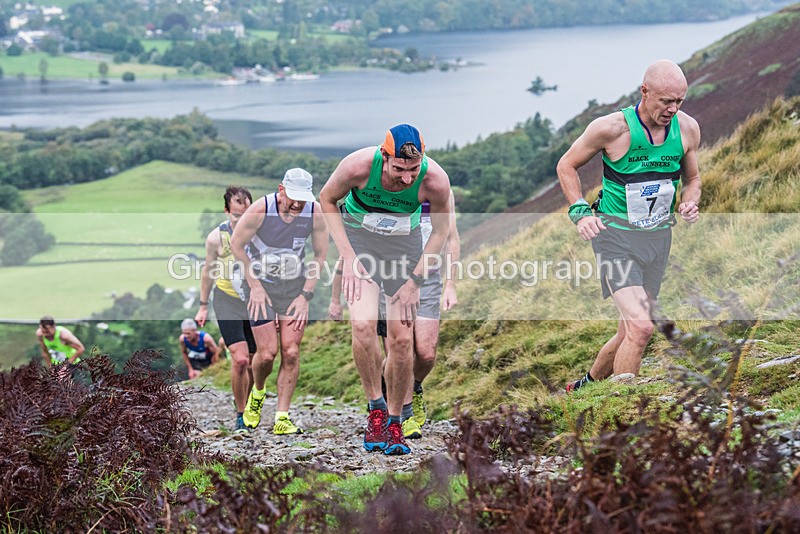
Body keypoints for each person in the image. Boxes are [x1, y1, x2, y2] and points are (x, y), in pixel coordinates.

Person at [556, 59, 701, 391]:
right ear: (645, 91)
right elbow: (567, 165)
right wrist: (580, 210)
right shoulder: (611, 128)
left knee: (627, 331)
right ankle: (624, 413)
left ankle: (587, 386)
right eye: (666, 101)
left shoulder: (688, 128)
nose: (673, 109)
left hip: (657, 239)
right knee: (641, 328)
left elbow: (693, 179)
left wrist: (690, 200)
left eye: (679, 101)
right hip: (615, 238)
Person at [319, 124, 452, 455]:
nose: (407, 179)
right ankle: (375, 409)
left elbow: (440, 231)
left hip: (401, 252)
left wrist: (415, 281)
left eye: (413, 170)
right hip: (360, 244)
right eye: (399, 169)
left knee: (402, 339)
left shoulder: (435, 179)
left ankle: (396, 422)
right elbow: (326, 199)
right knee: (363, 326)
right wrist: (347, 257)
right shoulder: (358, 166)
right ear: (384, 156)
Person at [327, 191, 460, 440]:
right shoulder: (389, 191)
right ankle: (403, 415)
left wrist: (450, 284)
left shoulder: (441, 192)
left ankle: (412, 386)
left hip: (428, 279)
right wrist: (336, 299)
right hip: (391, 274)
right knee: (399, 347)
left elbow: (451, 238)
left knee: (427, 353)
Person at [230, 168, 328, 435]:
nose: (297, 204)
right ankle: (258, 392)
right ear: (281, 189)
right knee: (267, 353)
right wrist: (255, 287)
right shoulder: (262, 208)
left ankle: (282, 417)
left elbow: (320, 255)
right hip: (261, 285)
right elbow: (236, 245)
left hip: (293, 287)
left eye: (303, 198)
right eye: (293, 197)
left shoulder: (314, 211)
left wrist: (306, 295)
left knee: (292, 352)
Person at [195, 185, 257, 432]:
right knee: (240, 360)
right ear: (226, 211)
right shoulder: (215, 238)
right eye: (236, 216)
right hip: (227, 300)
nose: (242, 221)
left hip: (256, 301)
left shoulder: (262, 232)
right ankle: (241, 414)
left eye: (247, 214)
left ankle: (247, 400)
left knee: (254, 363)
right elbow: (208, 271)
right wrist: (202, 306)